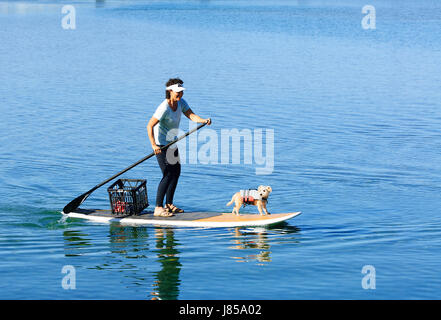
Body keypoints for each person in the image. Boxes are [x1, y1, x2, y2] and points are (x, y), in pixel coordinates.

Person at [147, 78, 211, 217]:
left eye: (181, 92)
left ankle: (169, 205)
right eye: (177, 92)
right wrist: (153, 145)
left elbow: (191, 115)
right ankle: (158, 208)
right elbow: (149, 125)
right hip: (160, 145)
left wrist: (203, 120)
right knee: (167, 174)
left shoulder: (181, 102)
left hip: (172, 143)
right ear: (170, 91)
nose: (180, 95)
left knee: (176, 172)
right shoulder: (163, 107)